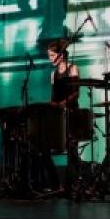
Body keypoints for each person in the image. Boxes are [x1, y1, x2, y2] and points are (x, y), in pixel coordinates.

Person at [43, 39, 81, 194]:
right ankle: (56, 185)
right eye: (49, 56)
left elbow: (76, 93)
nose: (50, 58)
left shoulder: (73, 68)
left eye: (52, 55)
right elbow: (53, 97)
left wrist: (63, 104)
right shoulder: (53, 75)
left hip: (71, 114)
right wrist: (51, 104)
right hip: (58, 116)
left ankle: (72, 186)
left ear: (61, 55)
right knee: (44, 149)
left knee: (72, 150)